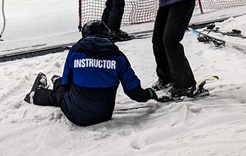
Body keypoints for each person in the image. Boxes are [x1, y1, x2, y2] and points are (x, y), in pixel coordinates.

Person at [24, 20, 157, 127]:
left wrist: (60, 83)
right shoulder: (117, 56)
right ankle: (54, 83)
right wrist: (148, 94)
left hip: (76, 115)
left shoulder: (76, 51)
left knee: (61, 89)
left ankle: (35, 95)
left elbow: (66, 83)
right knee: (69, 89)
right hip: (104, 114)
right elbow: (133, 91)